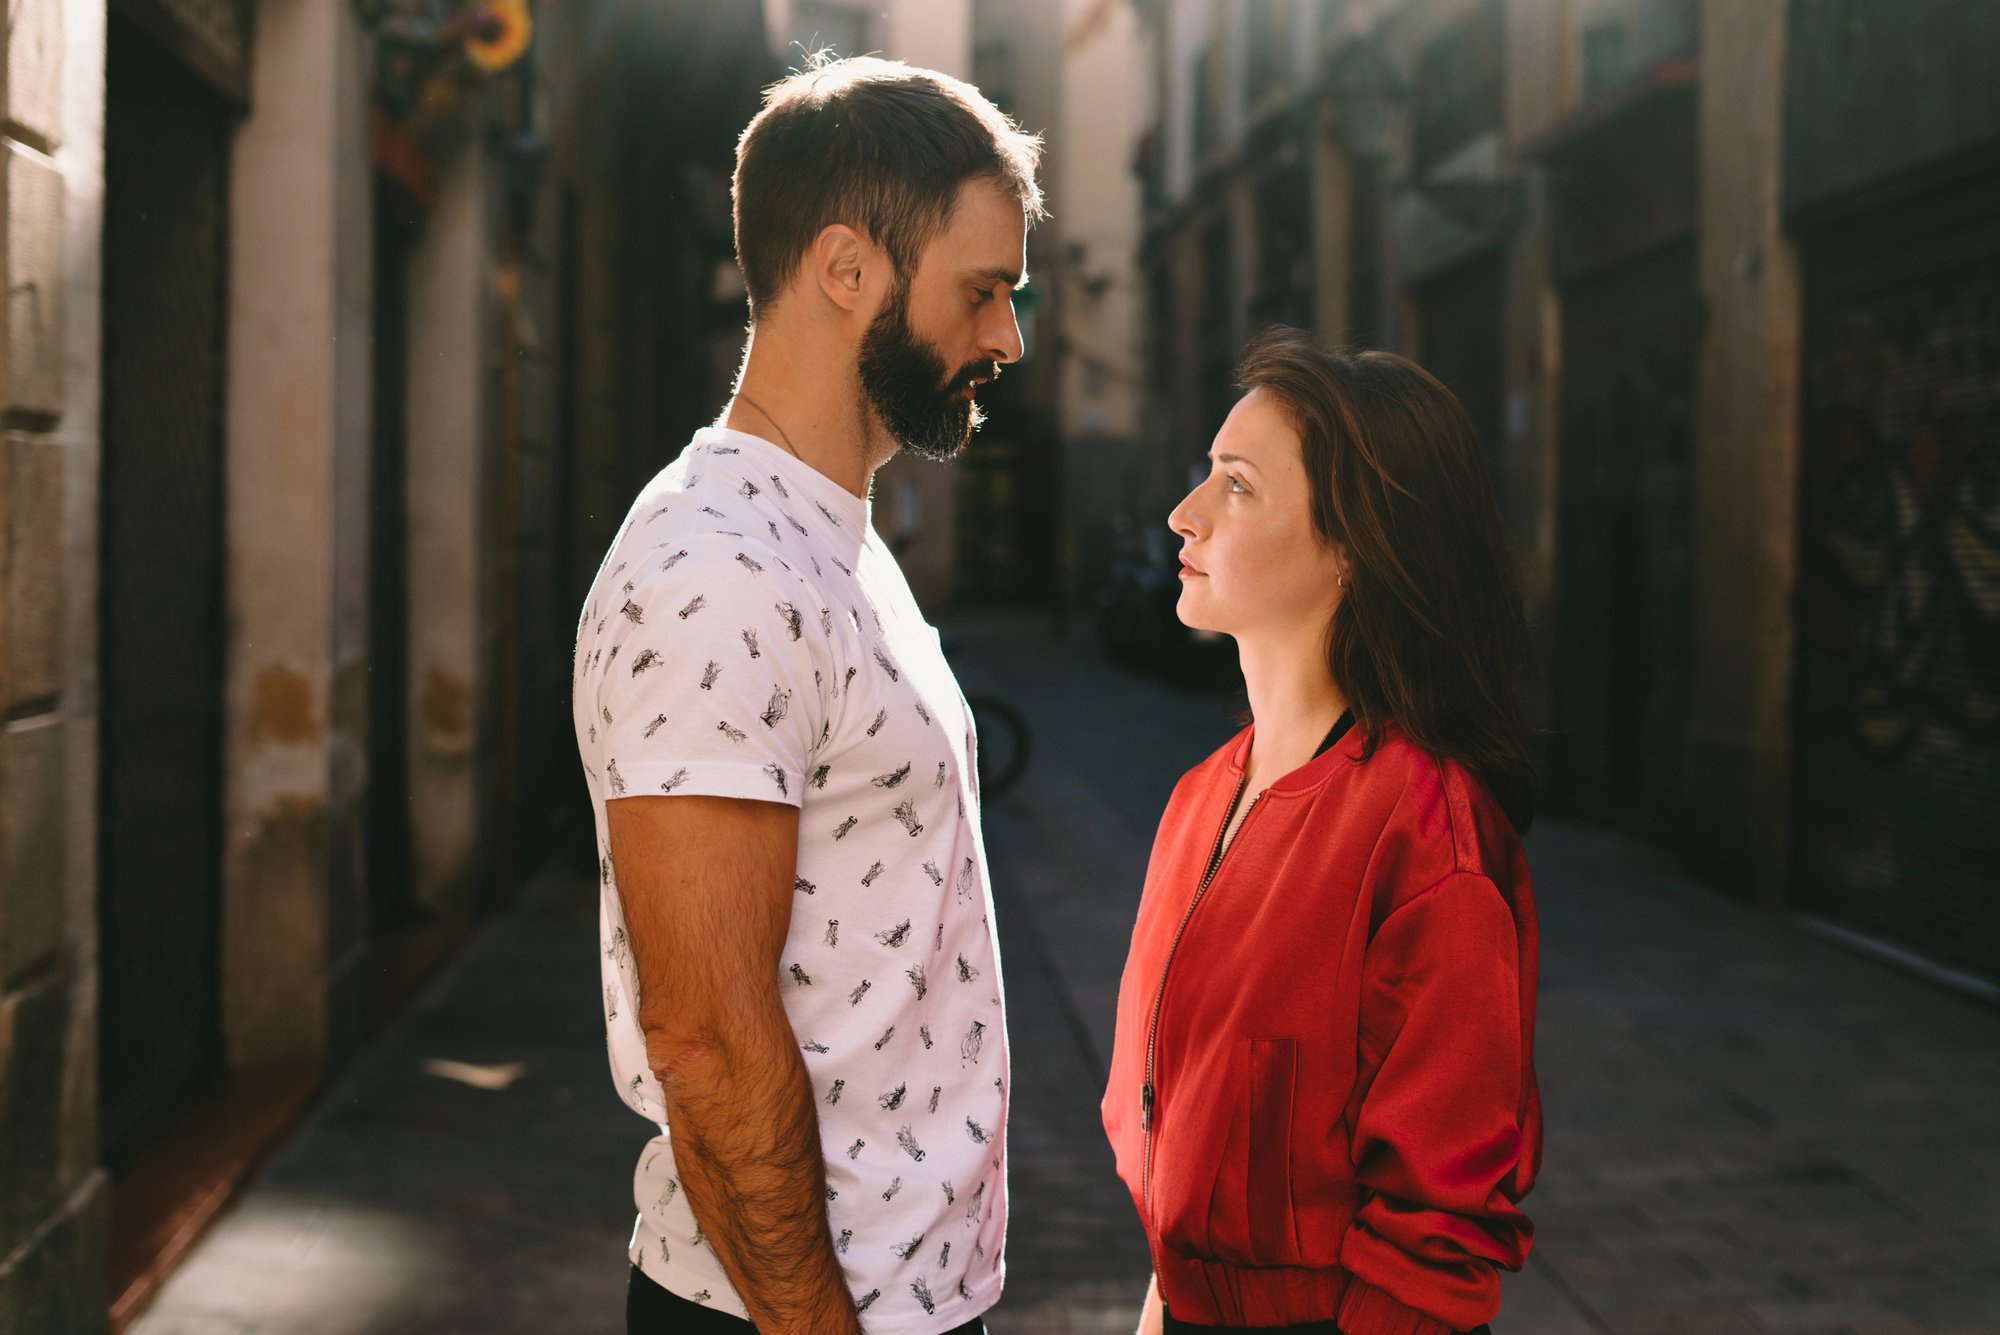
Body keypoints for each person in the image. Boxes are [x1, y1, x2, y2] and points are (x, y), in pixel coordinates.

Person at [572, 54, 1043, 1335]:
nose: (1006, 336)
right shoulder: (708, 571)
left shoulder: (831, 539)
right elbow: (706, 1040)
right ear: (847, 270)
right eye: (982, 291)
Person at [1101, 328, 1542, 1335]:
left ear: (1352, 542)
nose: (1185, 515)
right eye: (1201, 477)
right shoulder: (1197, 798)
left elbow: (1438, 1245)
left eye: (1237, 487)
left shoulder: (1428, 836)